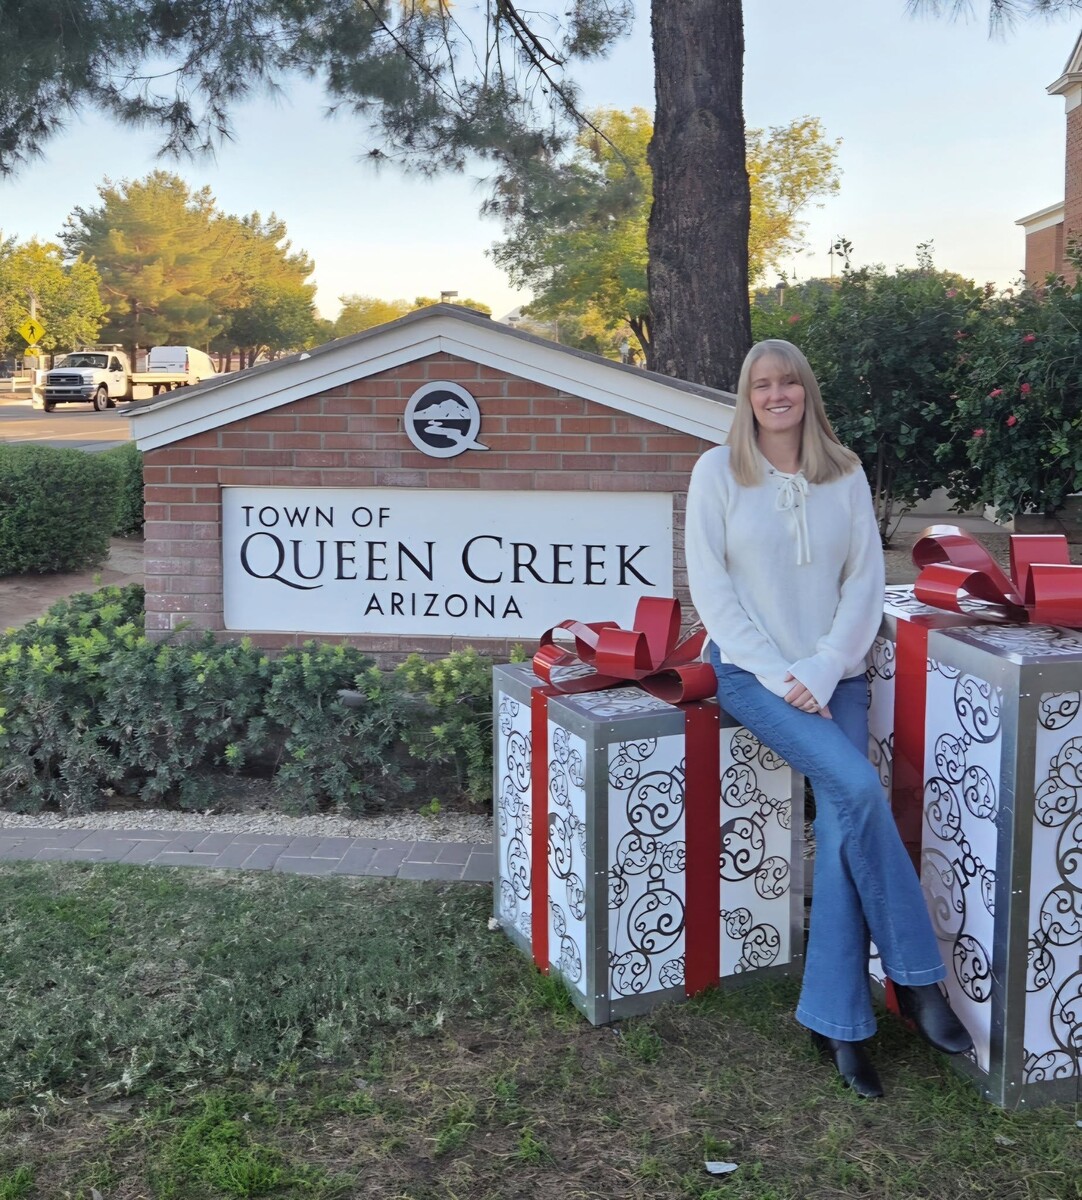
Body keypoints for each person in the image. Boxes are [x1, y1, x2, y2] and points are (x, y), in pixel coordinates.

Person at [684, 338, 972, 1099]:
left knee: (846, 822)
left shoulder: (843, 473)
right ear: (747, 398)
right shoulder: (718, 473)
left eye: (788, 383)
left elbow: (864, 583)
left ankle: (838, 1026)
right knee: (860, 793)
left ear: (807, 391)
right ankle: (917, 982)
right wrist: (783, 676)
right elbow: (713, 591)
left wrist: (820, 669)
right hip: (748, 675)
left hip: (834, 677)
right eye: (761, 386)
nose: (776, 396)